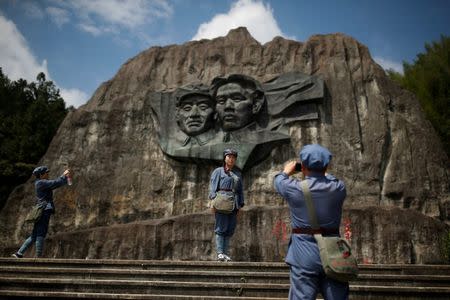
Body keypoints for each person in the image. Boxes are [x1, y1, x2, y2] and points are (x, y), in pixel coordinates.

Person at [273, 144, 349, 300]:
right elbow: (331, 178)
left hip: (304, 254)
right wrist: (321, 170)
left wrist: (287, 171)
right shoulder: (338, 188)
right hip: (334, 254)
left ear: (304, 166)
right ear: (326, 165)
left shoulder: (294, 189)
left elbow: (278, 180)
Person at [12, 166, 70, 258]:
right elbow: (55, 183)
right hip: (44, 210)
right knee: (41, 233)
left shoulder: (40, 183)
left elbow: (56, 183)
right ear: (41, 175)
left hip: (42, 209)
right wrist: (63, 175)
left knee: (34, 235)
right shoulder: (41, 183)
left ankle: (19, 253)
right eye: (46, 173)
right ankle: (39, 257)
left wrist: (64, 178)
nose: (48, 174)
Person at [208, 148, 244, 261]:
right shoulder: (218, 171)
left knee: (229, 229)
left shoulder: (237, 174)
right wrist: (212, 203)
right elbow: (213, 188)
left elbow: (240, 191)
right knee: (220, 228)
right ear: (225, 158)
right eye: (229, 157)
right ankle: (220, 253)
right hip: (221, 202)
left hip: (234, 203)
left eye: (233, 157)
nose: (231, 159)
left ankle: (225, 253)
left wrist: (240, 206)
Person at [211, 74, 265, 138]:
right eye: (221, 101)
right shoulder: (209, 142)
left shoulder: (272, 140)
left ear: (255, 105)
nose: (227, 106)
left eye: (237, 99)